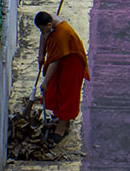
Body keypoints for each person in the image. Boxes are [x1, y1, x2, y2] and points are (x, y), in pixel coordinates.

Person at [35, 11, 90, 145]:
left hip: (72, 62)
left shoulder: (62, 35)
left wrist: (45, 82)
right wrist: (41, 54)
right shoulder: (50, 21)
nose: (43, 32)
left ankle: (62, 127)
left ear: (49, 24)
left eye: (44, 29)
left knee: (66, 94)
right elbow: (44, 34)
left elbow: (54, 62)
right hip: (62, 58)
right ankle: (59, 117)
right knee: (56, 89)